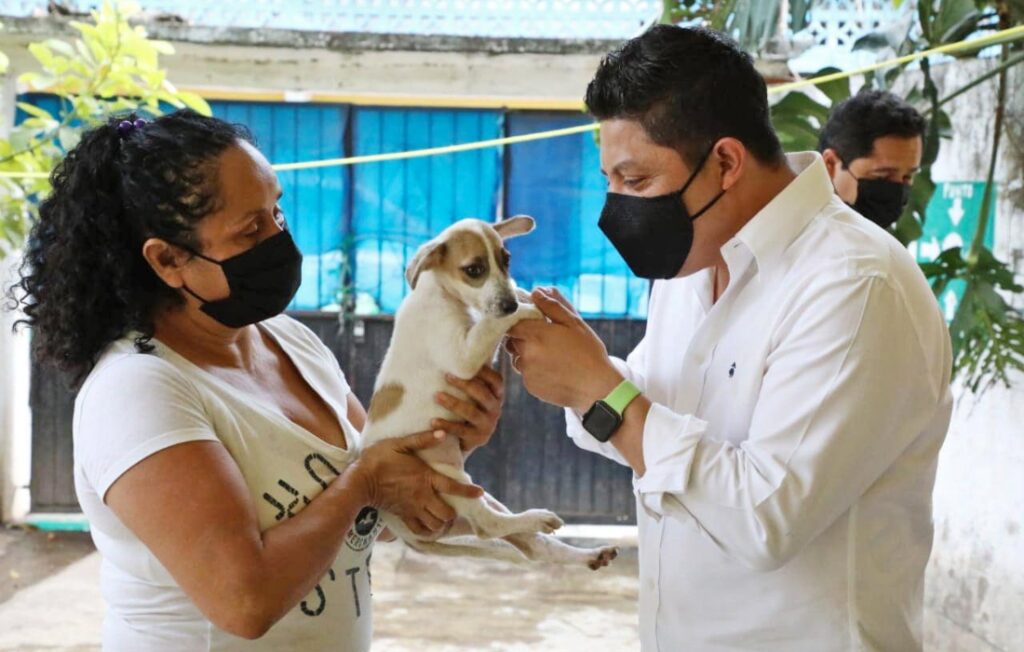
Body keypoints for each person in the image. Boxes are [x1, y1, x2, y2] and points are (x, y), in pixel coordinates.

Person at [506, 25, 952, 651]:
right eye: (610, 179)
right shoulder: (694, 263)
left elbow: (763, 516)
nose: (617, 206)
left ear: (725, 162)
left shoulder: (853, 284)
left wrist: (599, 388)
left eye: (635, 182)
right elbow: (651, 418)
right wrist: (575, 368)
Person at [11, 110, 505, 650]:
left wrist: (448, 443)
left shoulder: (287, 339)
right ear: (169, 259)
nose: (280, 239)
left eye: (277, 212)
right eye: (251, 229)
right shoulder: (139, 390)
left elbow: (379, 518)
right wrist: (363, 480)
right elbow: (243, 603)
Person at [818, 89, 926, 229]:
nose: (897, 191)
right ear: (830, 164)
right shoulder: (793, 237)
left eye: (908, 176)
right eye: (883, 176)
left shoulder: (881, 246)